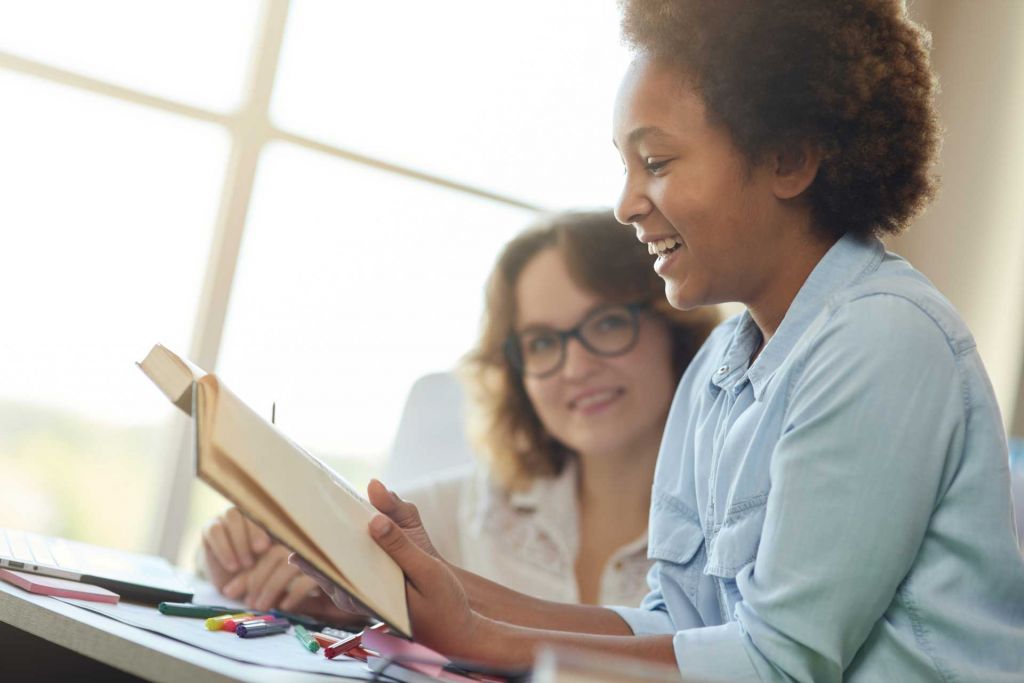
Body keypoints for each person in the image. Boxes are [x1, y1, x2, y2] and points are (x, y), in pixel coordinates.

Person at [295, 1, 1024, 680]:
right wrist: (451, 589)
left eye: (658, 162)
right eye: (625, 165)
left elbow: (780, 662)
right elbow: (675, 623)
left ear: (790, 159)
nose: (626, 203)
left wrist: (480, 636)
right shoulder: (717, 367)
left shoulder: (883, 339)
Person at [198, 210, 718, 615]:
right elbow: (324, 542)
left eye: (606, 324)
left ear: (671, 326)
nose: (576, 367)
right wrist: (241, 552)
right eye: (541, 342)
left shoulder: (734, 525)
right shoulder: (471, 509)